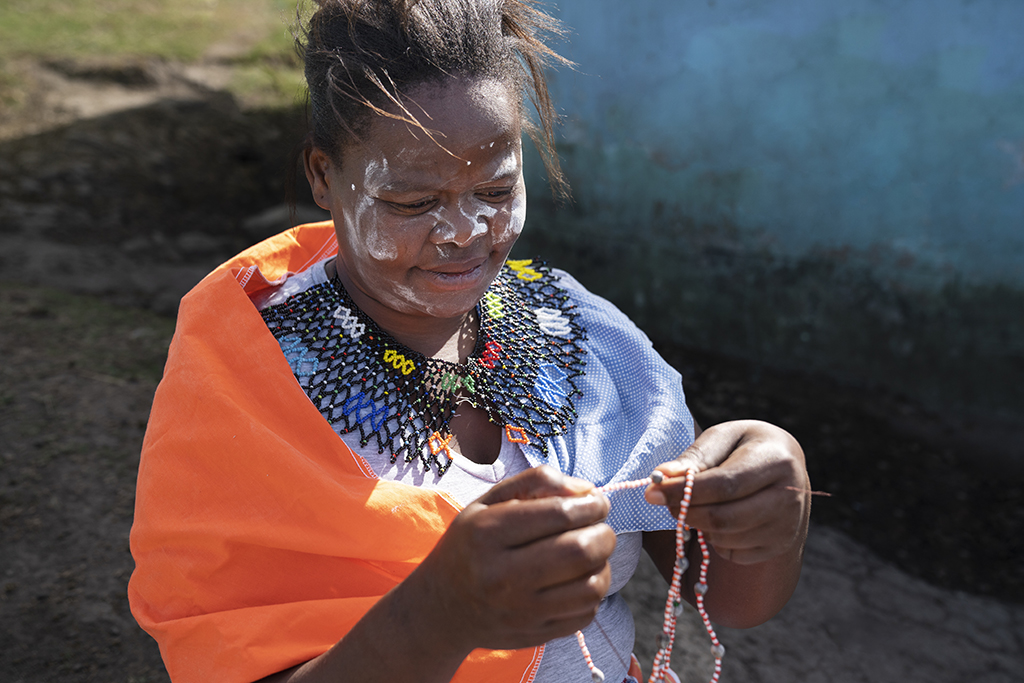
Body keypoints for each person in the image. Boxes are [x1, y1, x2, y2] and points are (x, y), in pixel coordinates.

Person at [128, 1, 810, 682]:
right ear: (323, 176)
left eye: (496, 188)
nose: (464, 231)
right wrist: (439, 614)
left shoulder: (581, 335)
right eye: (413, 202)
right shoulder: (246, 377)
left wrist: (776, 493)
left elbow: (730, 595)